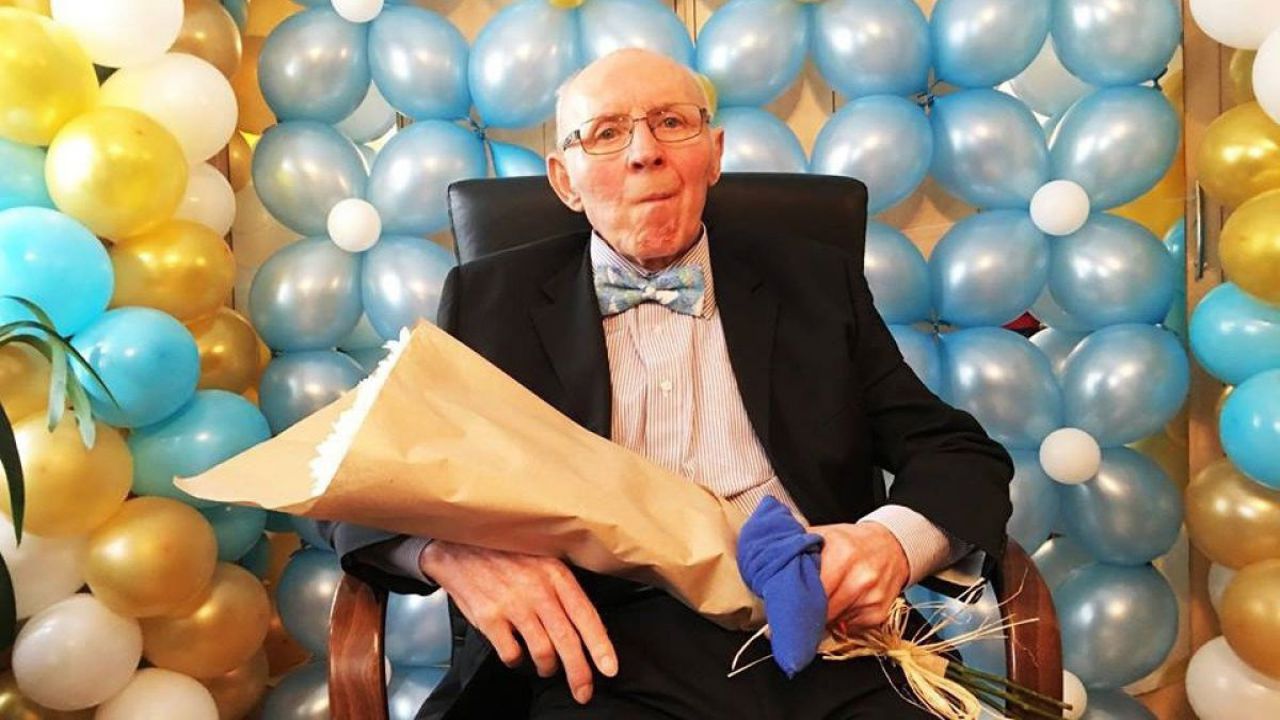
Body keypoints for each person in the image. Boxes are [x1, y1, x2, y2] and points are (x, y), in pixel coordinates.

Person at [320, 48, 1012, 719]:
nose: (644, 152)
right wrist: (448, 553)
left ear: (713, 153)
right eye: (606, 133)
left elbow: (956, 453)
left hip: (829, 634)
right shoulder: (488, 300)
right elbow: (346, 481)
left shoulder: (816, 281)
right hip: (594, 654)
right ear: (564, 180)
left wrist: (890, 543)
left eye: (671, 122)